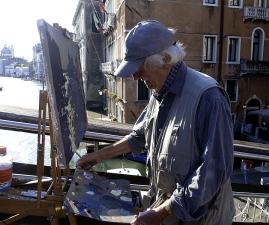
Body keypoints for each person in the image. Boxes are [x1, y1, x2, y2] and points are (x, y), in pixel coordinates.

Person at [76, 20, 235, 225]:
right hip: (168, 213)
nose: (135, 77)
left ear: (165, 59)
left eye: (140, 69)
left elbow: (214, 171)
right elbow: (140, 136)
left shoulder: (209, 98)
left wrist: (161, 212)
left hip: (201, 219)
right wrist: (99, 156)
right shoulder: (158, 90)